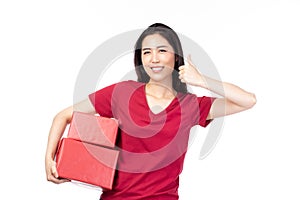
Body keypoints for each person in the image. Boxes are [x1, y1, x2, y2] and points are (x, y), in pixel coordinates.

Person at [45, 23, 256, 199]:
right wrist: (49, 160)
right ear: (141, 59)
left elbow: (247, 101)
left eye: (162, 50)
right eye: (147, 52)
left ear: (176, 57)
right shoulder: (122, 92)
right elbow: (62, 116)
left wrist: (202, 81)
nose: (154, 58)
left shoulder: (191, 106)